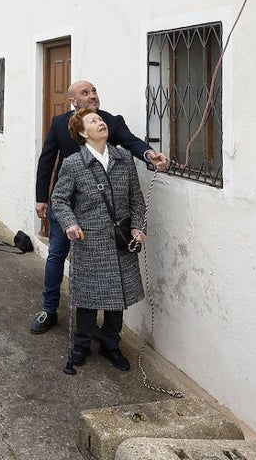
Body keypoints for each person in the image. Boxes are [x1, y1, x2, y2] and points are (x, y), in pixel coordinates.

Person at [30, 79, 167, 334]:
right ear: (73, 100)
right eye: (85, 92)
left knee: (101, 266)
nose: (92, 95)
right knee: (57, 254)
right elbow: (47, 160)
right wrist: (42, 198)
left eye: (94, 91)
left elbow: (132, 142)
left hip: (99, 214)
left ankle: (102, 330)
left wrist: (149, 154)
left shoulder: (109, 121)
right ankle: (49, 309)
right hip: (67, 206)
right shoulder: (60, 124)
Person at [49, 107, 148, 371]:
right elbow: (58, 199)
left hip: (121, 240)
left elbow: (136, 199)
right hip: (90, 241)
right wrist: (70, 223)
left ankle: (110, 345)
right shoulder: (73, 164)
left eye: (101, 120)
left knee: (119, 296)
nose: (100, 123)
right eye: (93, 121)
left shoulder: (124, 159)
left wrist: (138, 227)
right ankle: (81, 345)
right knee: (89, 298)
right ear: (82, 132)